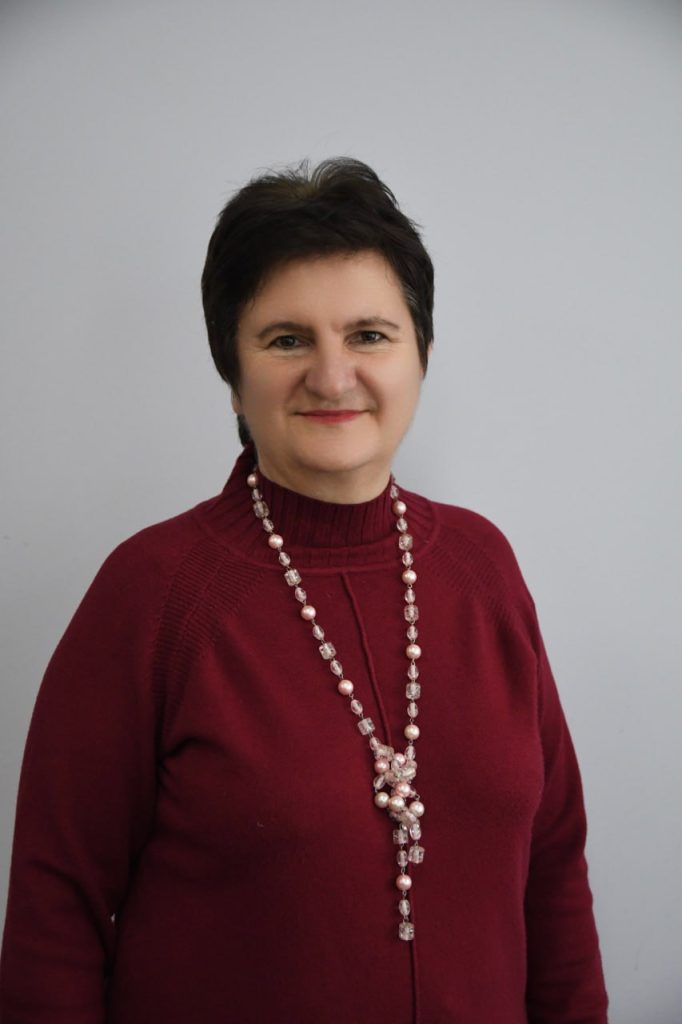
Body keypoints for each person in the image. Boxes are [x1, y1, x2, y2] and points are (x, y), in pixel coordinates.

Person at [0, 158, 609, 1023]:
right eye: (287, 339)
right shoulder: (156, 594)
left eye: (370, 335)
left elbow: (554, 869)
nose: (332, 376)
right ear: (232, 372)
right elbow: (55, 914)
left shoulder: (484, 566)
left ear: (422, 354)